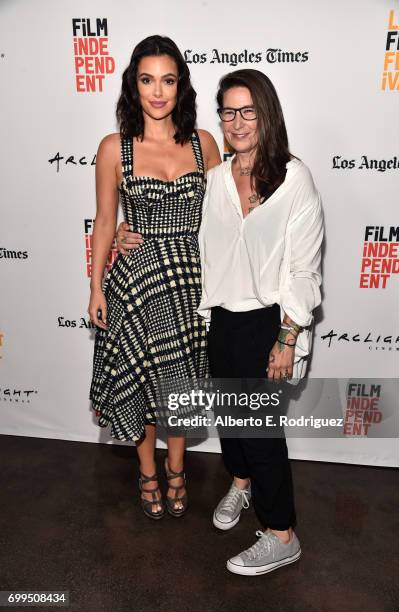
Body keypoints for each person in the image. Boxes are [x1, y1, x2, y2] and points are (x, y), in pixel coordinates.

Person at [117, 68, 323, 575]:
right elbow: (180, 229)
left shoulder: (294, 178)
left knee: (260, 431)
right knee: (233, 426)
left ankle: (281, 533)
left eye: (248, 111)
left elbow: (304, 266)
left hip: (270, 323)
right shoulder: (213, 180)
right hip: (221, 320)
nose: (237, 122)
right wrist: (128, 231)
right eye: (228, 112)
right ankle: (241, 484)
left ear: (267, 114)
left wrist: (287, 337)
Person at [88, 34, 221, 520]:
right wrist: (96, 287)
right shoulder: (113, 149)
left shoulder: (204, 144)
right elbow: (104, 222)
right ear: (134, 85)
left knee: (179, 382)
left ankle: (178, 467)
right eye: (148, 80)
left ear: (181, 86)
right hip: (137, 287)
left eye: (168, 80)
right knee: (143, 384)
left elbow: (223, 220)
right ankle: (148, 471)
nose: (158, 91)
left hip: (191, 285)